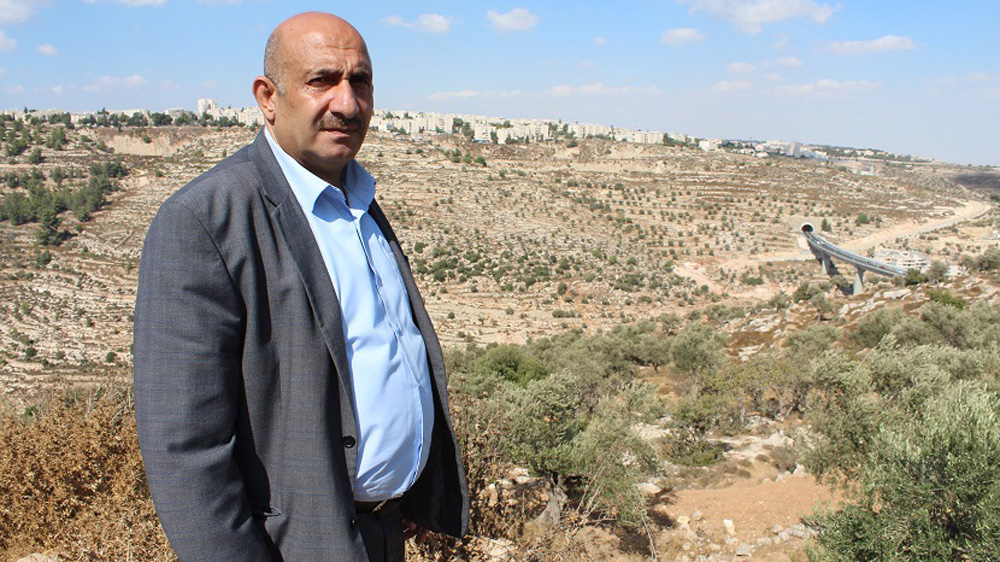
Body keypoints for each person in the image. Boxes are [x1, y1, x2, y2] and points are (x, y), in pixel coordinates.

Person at [132, 12, 468, 562]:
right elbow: (185, 449)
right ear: (268, 97)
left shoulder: (359, 202)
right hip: (300, 545)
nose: (347, 103)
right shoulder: (206, 220)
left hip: (387, 532)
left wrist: (412, 487)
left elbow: (389, 352)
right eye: (322, 81)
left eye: (360, 82)